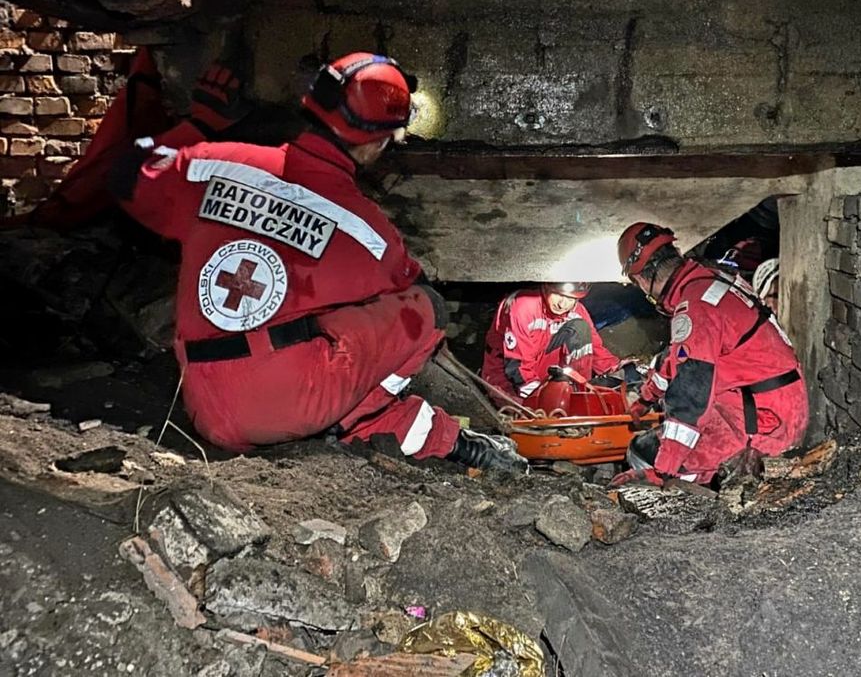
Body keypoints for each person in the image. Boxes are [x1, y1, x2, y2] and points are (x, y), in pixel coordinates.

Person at [110, 51, 527, 474]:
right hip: (289, 405)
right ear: (377, 141)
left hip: (204, 403)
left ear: (312, 106)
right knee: (425, 309)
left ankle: (418, 433)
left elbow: (126, 172)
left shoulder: (212, 167)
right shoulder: (369, 232)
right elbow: (408, 285)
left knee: (319, 326)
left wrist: (201, 121)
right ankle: (357, 421)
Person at [613, 223, 807, 486]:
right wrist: (646, 399)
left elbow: (691, 393)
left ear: (642, 280)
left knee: (644, 454)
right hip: (769, 402)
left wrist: (663, 471)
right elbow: (679, 356)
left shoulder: (696, 306)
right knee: (658, 439)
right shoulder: (710, 279)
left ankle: (711, 489)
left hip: (762, 424)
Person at [482, 281, 629, 405]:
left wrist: (619, 371)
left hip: (544, 370)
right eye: (559, 294)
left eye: (571, 298)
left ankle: (579, 395)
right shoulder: (523, 306)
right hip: (507, 375)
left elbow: (596, 349)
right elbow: (516, 365)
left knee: (580, 328)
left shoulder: (576, 310)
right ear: (546, 287)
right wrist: (540, 400)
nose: (563, 304)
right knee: (529, 416)